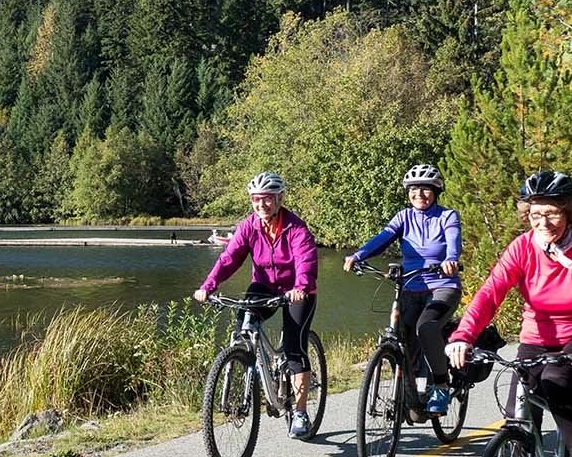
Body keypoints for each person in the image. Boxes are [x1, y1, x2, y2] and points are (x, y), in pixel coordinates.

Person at [446, 169, 572, 457]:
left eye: (552, 212)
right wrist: (463, 335)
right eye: (536, 214)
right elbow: (490, 293)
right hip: (535, 338)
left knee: (554, 381)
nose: (544, 221)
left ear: (568, 211)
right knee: (518, 410)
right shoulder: (522, 248)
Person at [194, 171, 321, 439]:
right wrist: (208, 285)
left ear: (279, 199)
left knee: (295, 349)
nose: (261, 205)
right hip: (263, 286)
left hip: (297, 291)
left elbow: (305, 260)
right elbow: (230, 259)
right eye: (256, 200)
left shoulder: (296, 228)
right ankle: (253, 376)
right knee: (244, 326)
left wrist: (300, 286)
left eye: (267, 199)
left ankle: (299, 412)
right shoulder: (249, 226)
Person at [342, 164, 462, 416]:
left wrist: (450, 260)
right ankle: (412, 392)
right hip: (410, 285)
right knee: (402, 339)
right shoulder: (403, 217)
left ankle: (440, 384)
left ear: (436, 191)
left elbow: (453, 241)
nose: (419, 194)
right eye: (414, 189)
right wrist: (358, 255)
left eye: (425, 189)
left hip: (442, 285)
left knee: (426, 327)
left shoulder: (447, 216)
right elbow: (383, 237)